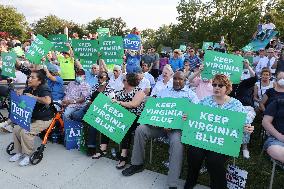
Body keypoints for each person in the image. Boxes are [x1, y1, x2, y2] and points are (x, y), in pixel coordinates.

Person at [122, 71, 199, 189]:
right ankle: (137, 164)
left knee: (177, 143)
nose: (177, 81)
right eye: (175, 79)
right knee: (140, 129)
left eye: (181, 79)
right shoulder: (165, 92)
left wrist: (187, 116)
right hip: (160, 126)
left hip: (177, 129)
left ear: (185, 81)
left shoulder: (191, 95)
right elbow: (155, 108)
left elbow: (195, 115)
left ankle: (172, 183)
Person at [184, 74, 254, 189]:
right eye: (214, 85)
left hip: (223, 142)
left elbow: (244, 123)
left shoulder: (235, 104)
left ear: (227, 88)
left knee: (213, 160)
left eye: (220, 85)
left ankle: (218, 186)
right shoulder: (205, 101)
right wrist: (187, 117)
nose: (216, 87)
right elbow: (194, 116)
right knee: (193, 153)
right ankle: (191, 179)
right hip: (204, 138)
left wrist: (248, 128)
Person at [93, 73, 145, 169]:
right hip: (121, 116)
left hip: (135, 117)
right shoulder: (120, 92)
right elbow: (113, 101)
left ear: (130, 81)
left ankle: (123, 154)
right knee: (107, 119)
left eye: (124, 80)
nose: (122, 82)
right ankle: (103, 148)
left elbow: (134, 104)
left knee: (125, 124)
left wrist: (119, 102)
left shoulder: (139, 92)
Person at [9, 70, 54, 166]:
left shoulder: (44, 88)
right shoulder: (29, 88)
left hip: (44, 118)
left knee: (26, 132)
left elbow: (48, 101)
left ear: (39, 81)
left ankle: (27, 155)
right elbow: (16, 89)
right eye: (29, 77)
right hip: (32, 117)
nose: (29, 79)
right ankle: (19, 152)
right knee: (16, 129)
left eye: (33, 77)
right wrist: (19, 92)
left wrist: (34, 97)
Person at [262, 98, 284, 163]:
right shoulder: (278, 103)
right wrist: (280, 137)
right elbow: (265, 122)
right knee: (275, 150)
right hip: (277, 139)